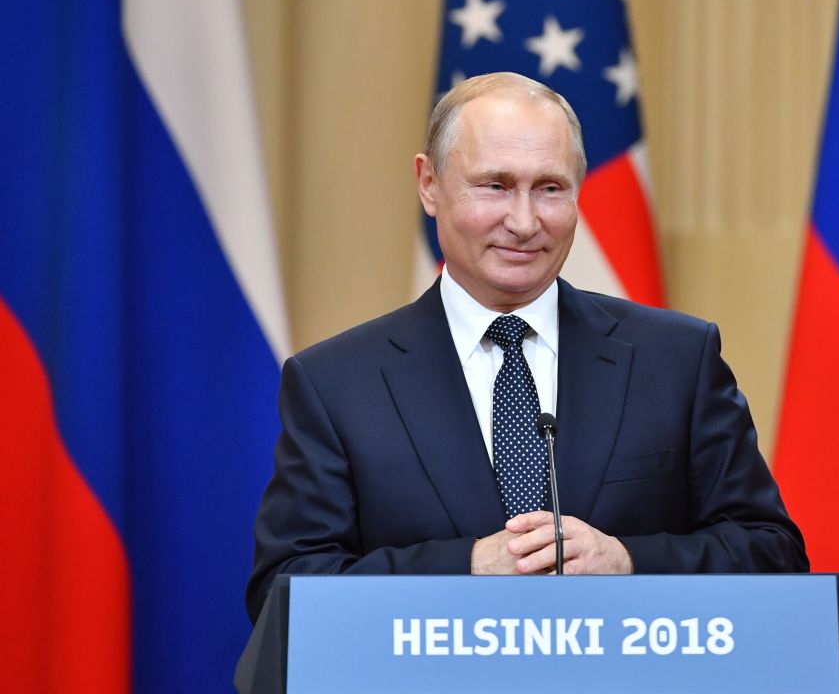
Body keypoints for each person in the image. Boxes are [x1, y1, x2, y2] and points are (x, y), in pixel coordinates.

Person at [245, 72, 807, 624]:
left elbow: (773, 555)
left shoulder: (678, 359)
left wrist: (630, 562)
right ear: (429, 184)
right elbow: (284, 593)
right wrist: (465, 568)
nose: (523, 221)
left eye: (550, 188)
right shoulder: (337, 383)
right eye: (494, 185)